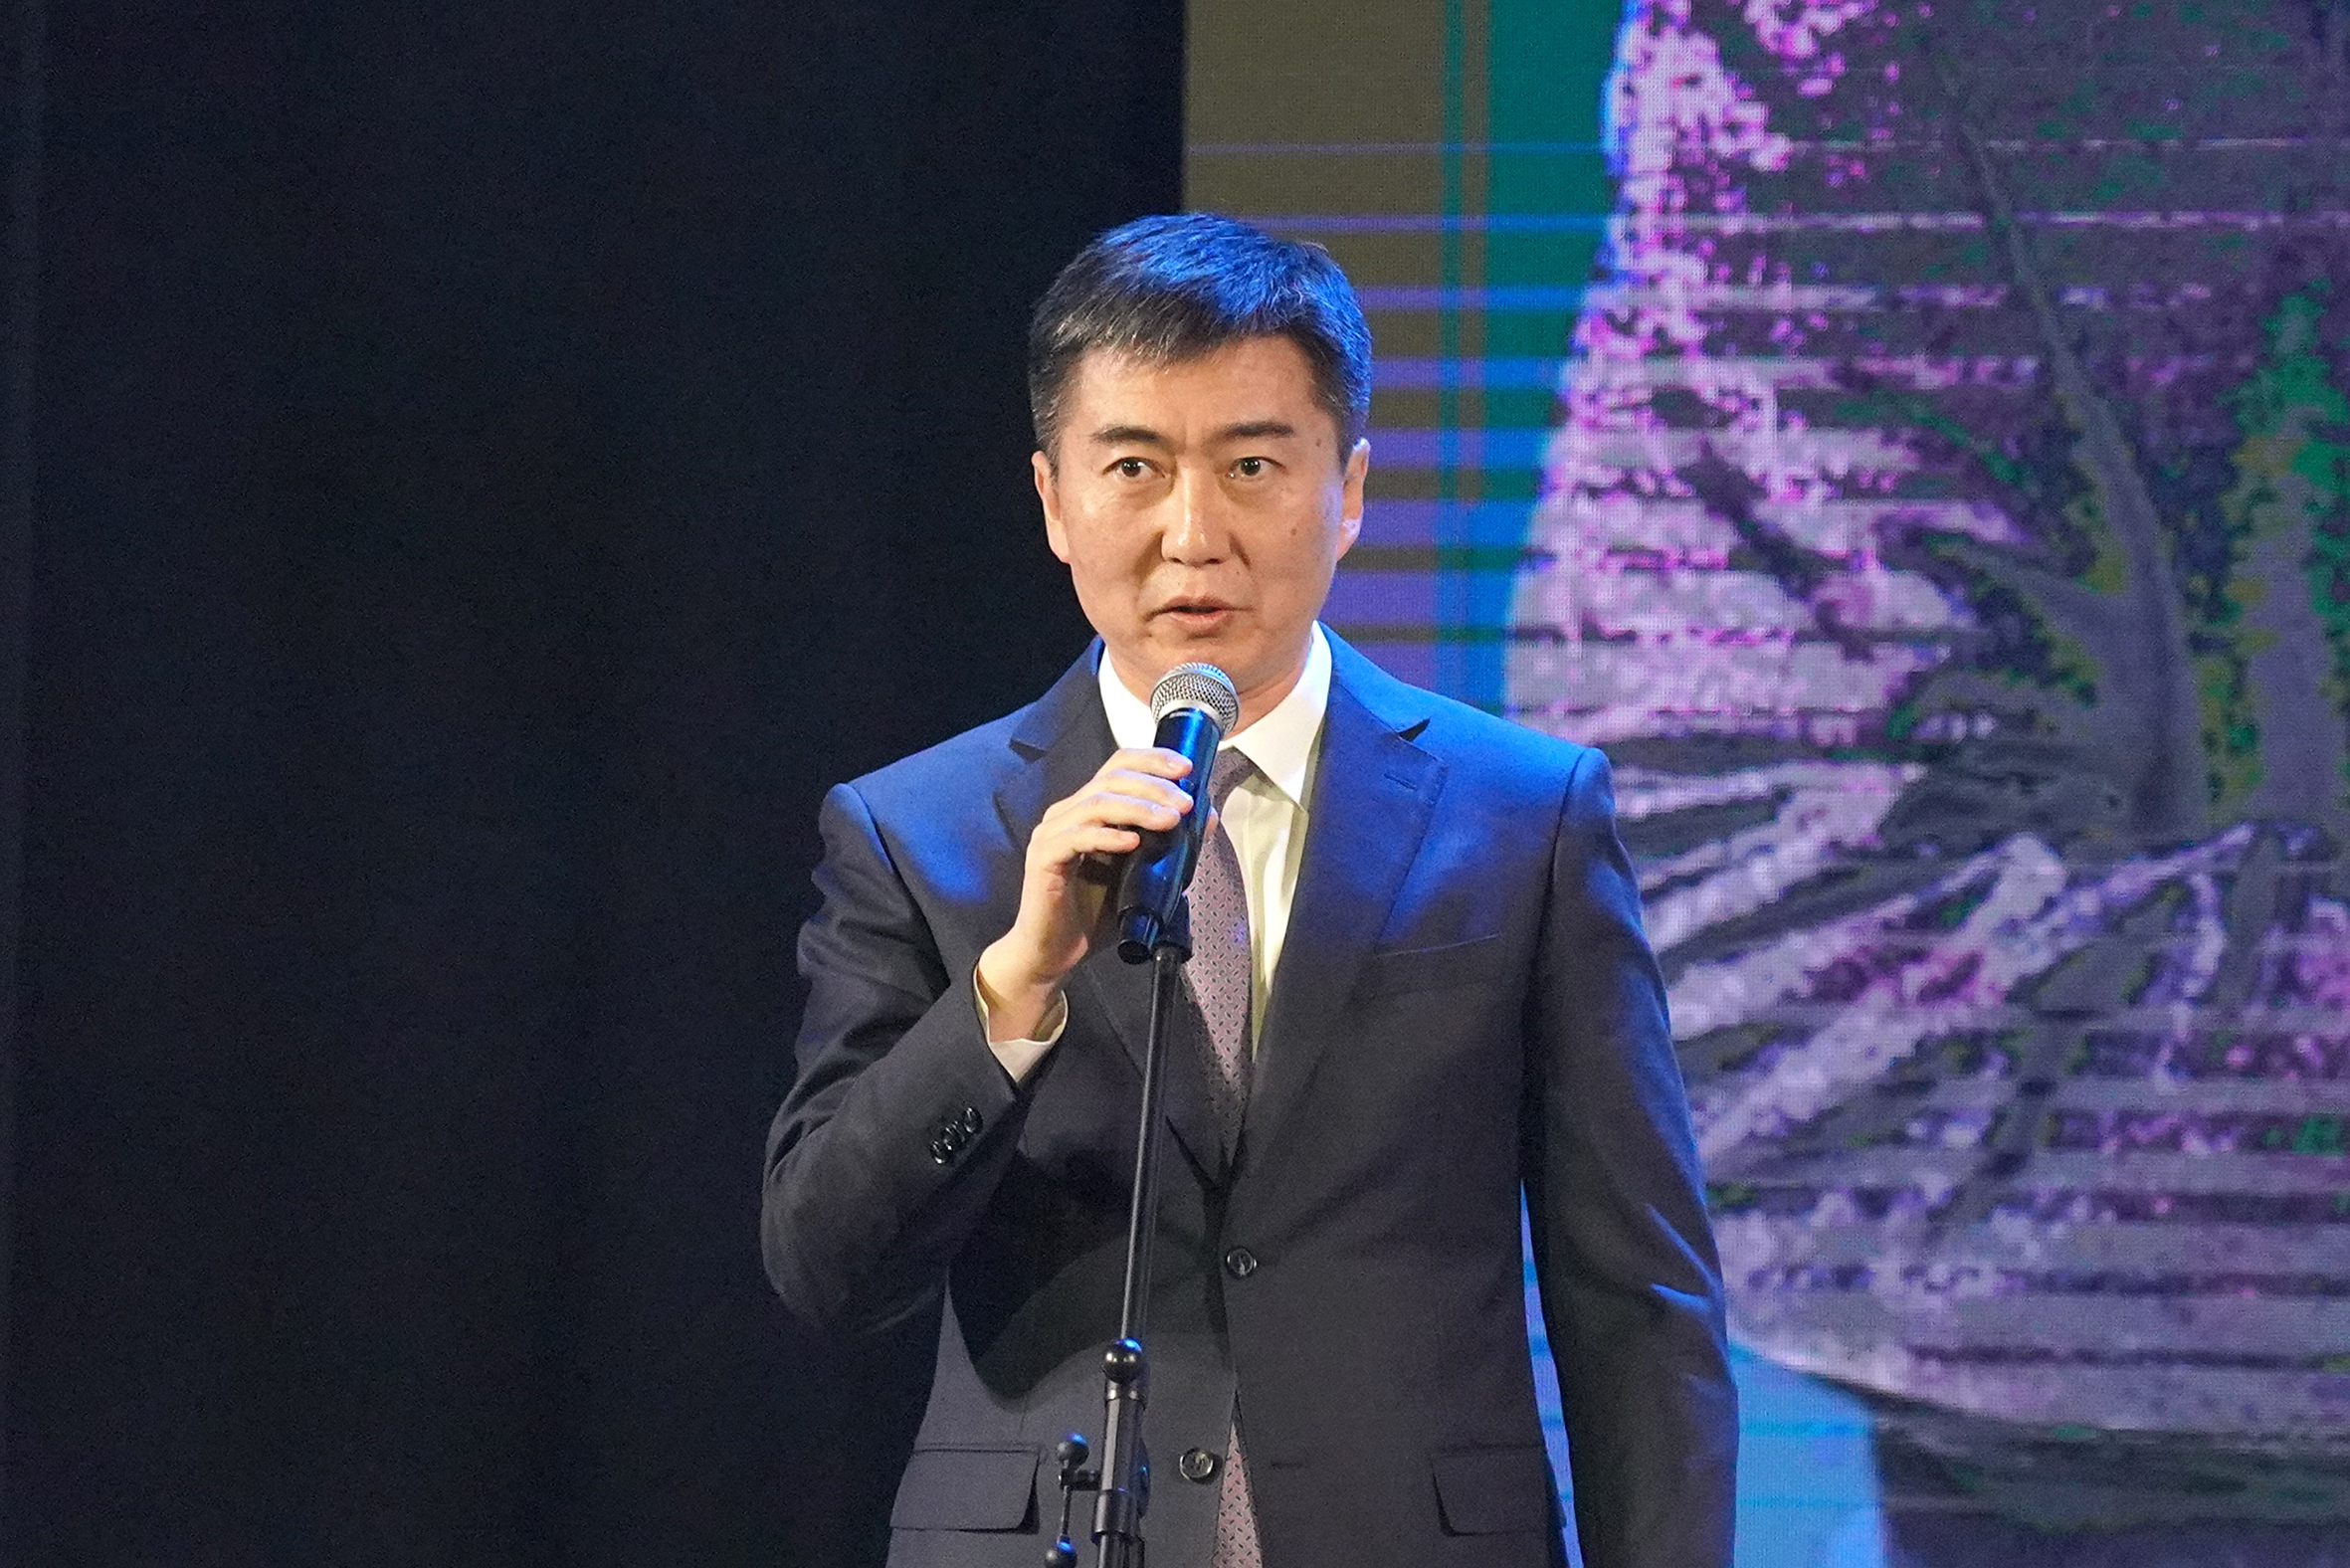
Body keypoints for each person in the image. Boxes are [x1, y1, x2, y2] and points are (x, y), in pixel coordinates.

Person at [762, 213, 1736, 1568]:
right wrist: (1012, 989)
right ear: (1053, 500)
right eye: (1133, 467)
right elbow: (827, 1268)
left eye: (1252, 465)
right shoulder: (917, 831)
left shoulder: (1525, 815)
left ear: (1349, 490)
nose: (1192, 533)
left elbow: (1637, 1301)